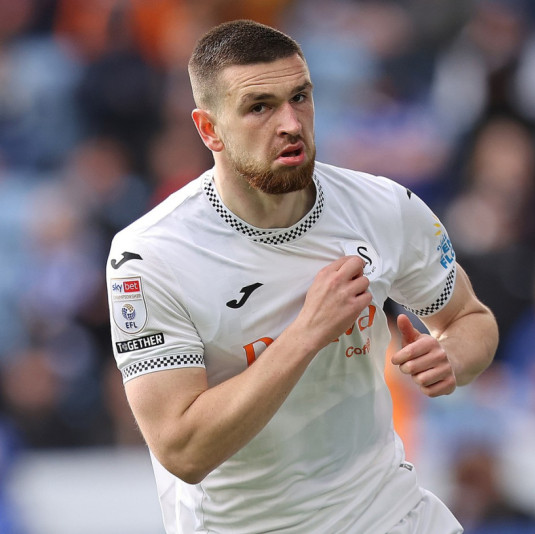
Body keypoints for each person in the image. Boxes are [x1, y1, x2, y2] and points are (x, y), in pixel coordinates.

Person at [105, 19, 498, 534]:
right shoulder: (149, 256)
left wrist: (453, 357)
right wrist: (307, 332)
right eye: (259, 107)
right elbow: (183, 449)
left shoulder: (383, 207)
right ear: (209, 129)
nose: (291, 123)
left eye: (300, 97)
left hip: (390, 514)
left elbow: (470, 318)